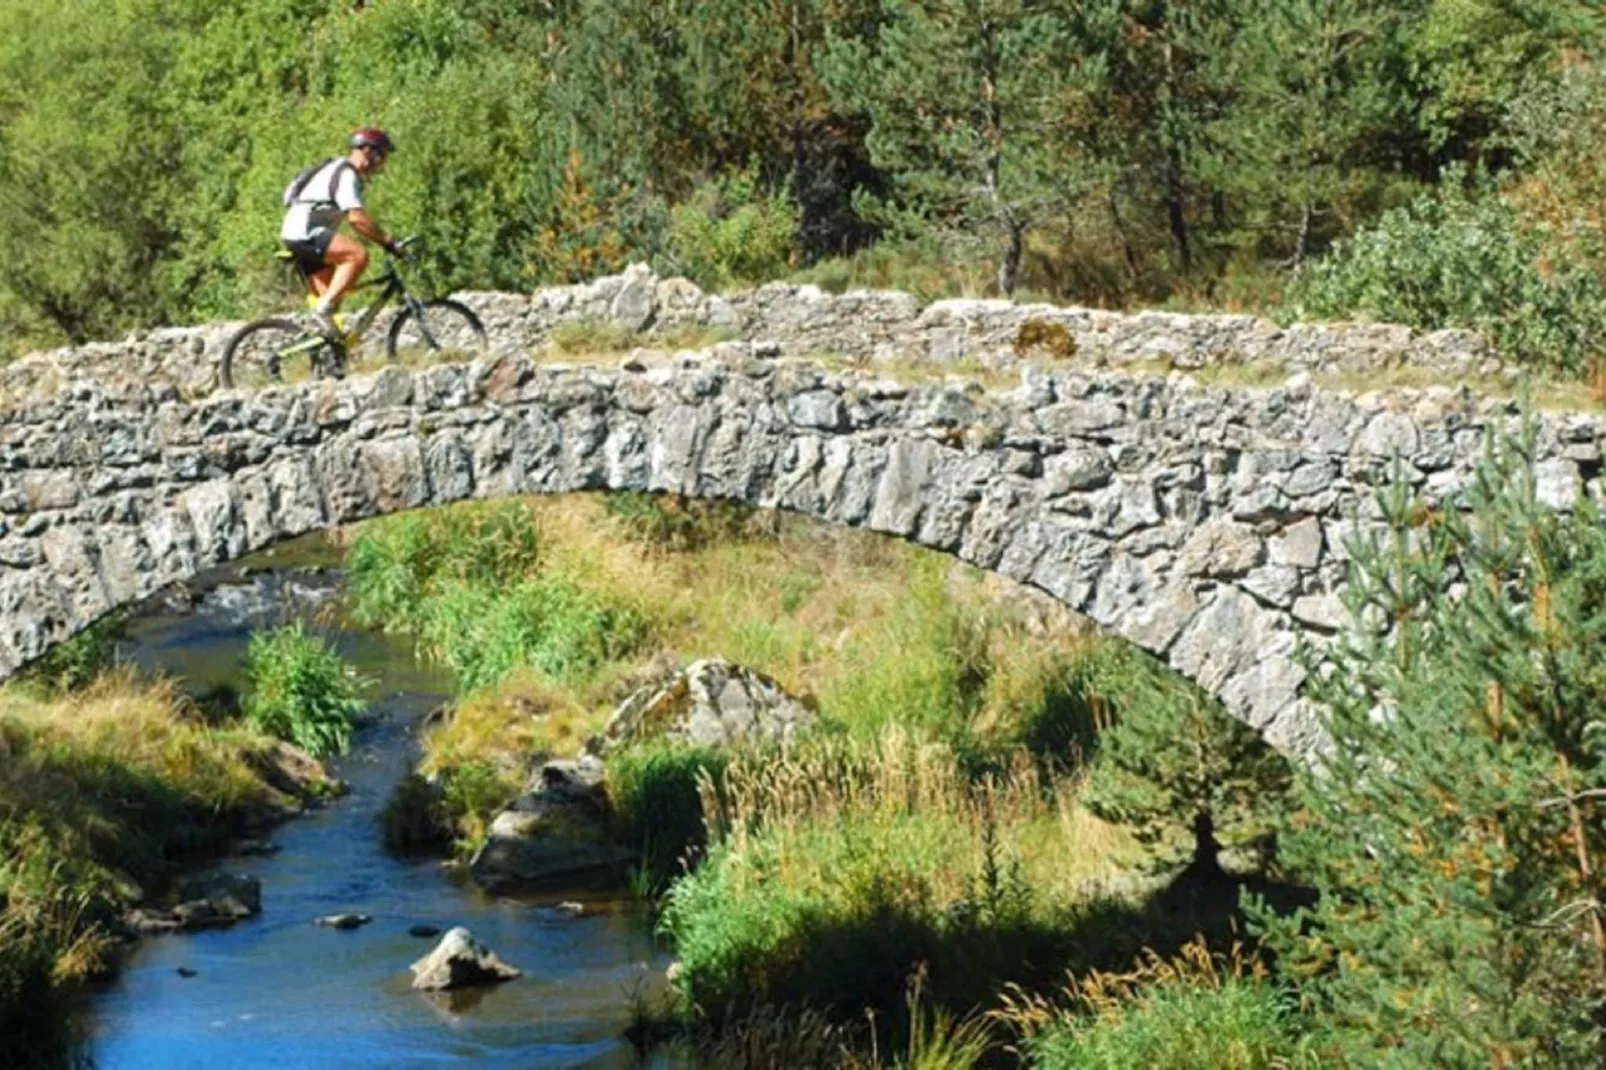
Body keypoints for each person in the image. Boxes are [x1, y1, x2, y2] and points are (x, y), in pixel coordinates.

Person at [280, 127, 403, 340]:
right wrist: (388, 241)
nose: (382, 162)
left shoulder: (337, 167)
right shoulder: (346, 174)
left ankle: (330, 361)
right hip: (305, 231)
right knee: (358, 255)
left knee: (332, 309)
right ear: (368, 151)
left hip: (297, 233)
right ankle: (323, 309)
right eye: (382, 155)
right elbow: (357, 219)